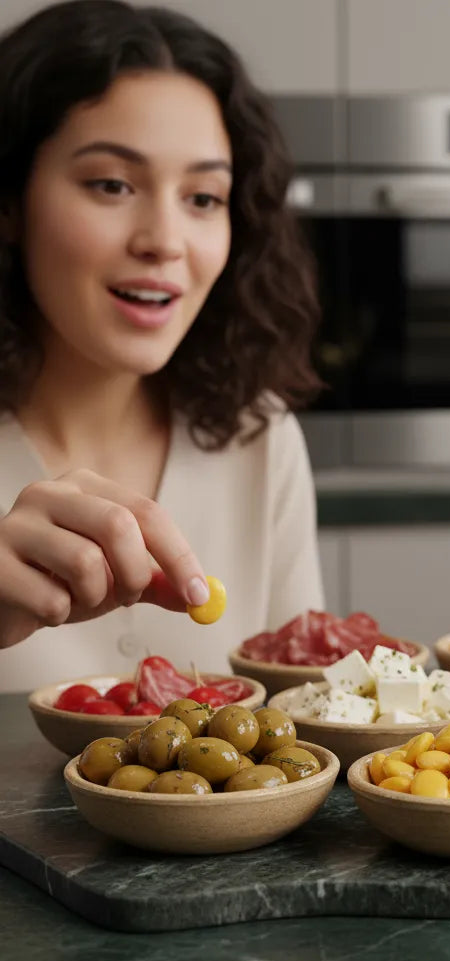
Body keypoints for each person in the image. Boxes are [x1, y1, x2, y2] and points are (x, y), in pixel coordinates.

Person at [0, 0, 326, 693]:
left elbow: (309, 721)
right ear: (9, 203)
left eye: (204, 198)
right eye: (112, 185)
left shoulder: (257, 437)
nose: (165, 240)